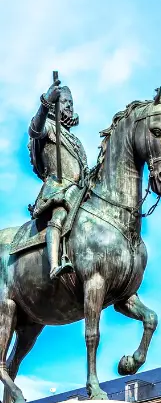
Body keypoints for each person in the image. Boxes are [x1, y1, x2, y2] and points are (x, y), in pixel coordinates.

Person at [28, 79, 89, 279]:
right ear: (56, 104)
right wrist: (46, 102)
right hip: (59, 189)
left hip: (79, 191)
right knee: (59, 215)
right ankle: (54, 264)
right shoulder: (49, 127)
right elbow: (35, 130)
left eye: (71, 102)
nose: (70, 106)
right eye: (64, 102)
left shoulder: (76, 141)